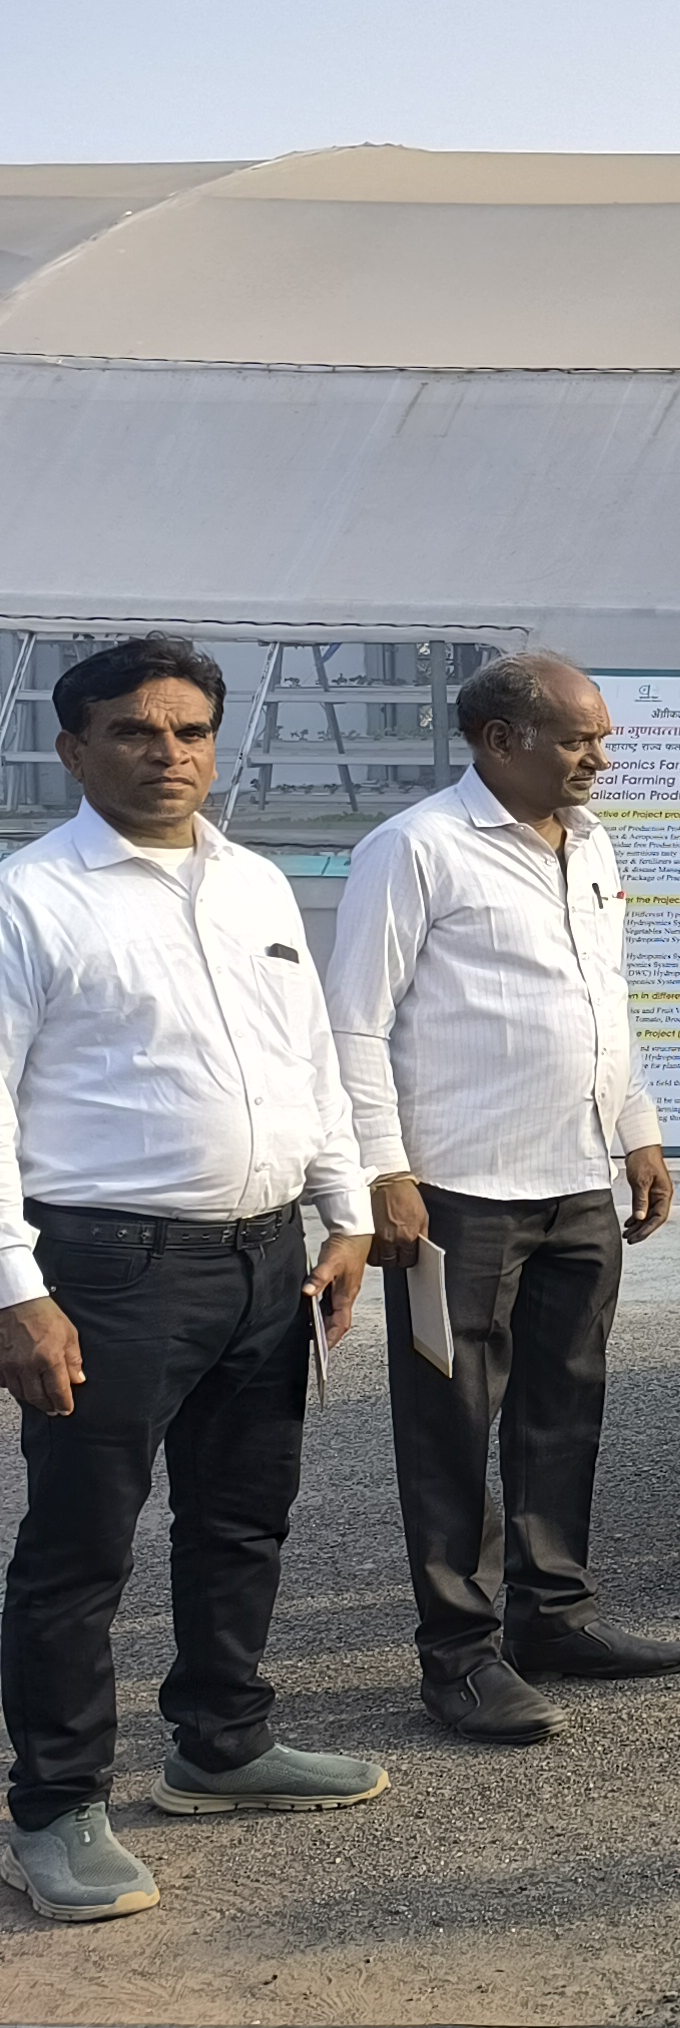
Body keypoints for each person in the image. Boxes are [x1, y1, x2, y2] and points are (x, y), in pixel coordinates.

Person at [1, 638, 385, 1921]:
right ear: (75, 750)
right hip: (107, 1270)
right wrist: (16, 1292)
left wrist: (342, 1211)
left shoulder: (254, 883)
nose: (168, 754)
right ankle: (55, 1807)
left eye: (190, 731)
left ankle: (221, 1744)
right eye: (134, 732)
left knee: (242, 1518)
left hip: (265, 1258)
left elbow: (307, 1060)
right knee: (80, 1548)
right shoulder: (32, 899)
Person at [328, 649, 680, 1747]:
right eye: (578, 738)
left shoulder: (591, 844)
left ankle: (553, 1616)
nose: (600, 758)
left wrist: (638, 1130)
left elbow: (604, 1000)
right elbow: (354, 1023)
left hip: (578, 1178)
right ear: (498, 740)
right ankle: (458, 1656)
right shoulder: (416, 848)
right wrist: (384, 1173)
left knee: (564, 1409)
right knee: (451, 1425)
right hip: (459, 1191)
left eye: (602, 737)